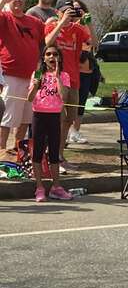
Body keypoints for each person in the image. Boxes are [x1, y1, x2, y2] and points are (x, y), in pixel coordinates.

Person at [44, 0, 91, 171]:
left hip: (74, 79)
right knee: (57, 119)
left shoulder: (77, 29)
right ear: (58, 12)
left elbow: (93, 43)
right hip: (57, 79)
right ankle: (51, 157)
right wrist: (61, 22)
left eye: (70, 11)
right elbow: (47, 42)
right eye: (64, 11)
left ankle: (59, 156)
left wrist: (88, 22)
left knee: (69, 119)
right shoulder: (51, 26)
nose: (68, 14)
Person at [0, 0, 45, 156]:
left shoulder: (34, 22)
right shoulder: (5, 18)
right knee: (7, 116)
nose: (18, 1)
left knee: (26, 117)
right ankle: (2, 151)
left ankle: (19, 149)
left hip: (32, 75)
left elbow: (46, 39)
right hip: (10, 74)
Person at [26, 45, 73, 202]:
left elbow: (64, 97)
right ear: (44, 57)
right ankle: (39, 187)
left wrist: (57, 75)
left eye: (55, 54)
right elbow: (30, 98)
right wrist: (37, 84)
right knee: (38, 152)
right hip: (39, 116)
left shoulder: (64, 75)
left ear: (59, 57)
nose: (52, 57)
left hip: (54, 116)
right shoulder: (38, 73)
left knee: (54, 152)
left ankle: (56, 187)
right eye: (48, 54)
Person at [68, 0, 95, 145]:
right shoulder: (68, 25)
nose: (76, 11)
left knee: (81, 102)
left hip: (86, 68)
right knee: (69, 102)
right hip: (71, 68)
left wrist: (88, 21)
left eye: (79, 8)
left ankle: (75, 131)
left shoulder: (85, 25)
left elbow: (94, 42)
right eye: (73, 9)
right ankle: (66, 131)